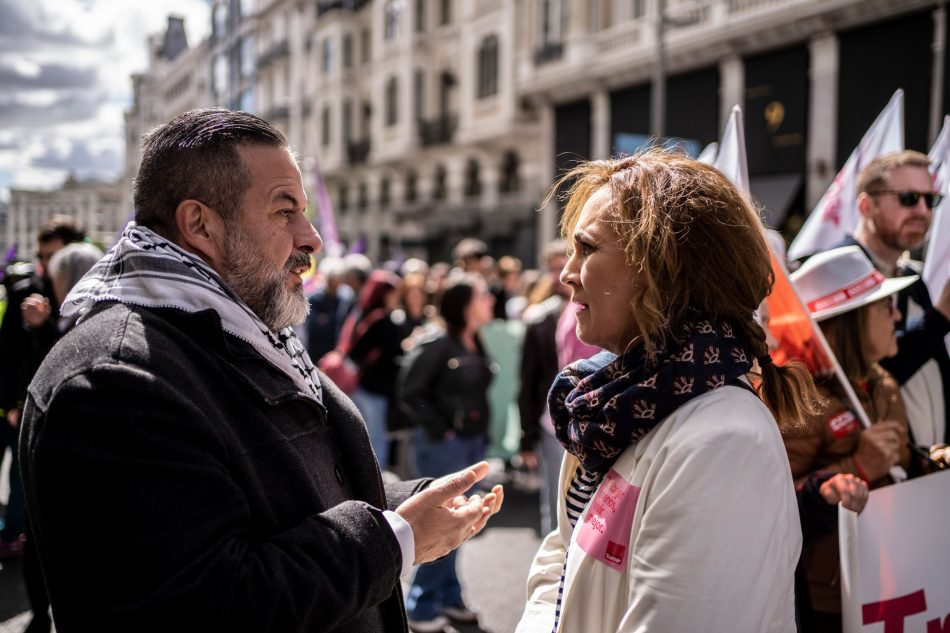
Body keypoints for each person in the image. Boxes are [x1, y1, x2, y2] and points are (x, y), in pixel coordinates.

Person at [19, 108, 502, 633]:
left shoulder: (242, 333)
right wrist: (394, 539)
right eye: (284, 211)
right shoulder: (115, 381)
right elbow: (203, 605)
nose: (311, 237)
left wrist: (409, 504)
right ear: (200, 224)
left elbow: (285, 494)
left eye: (305, 212)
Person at [517, 150, 816, 633]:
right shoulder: (610, 403)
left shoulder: (722, 442)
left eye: (588, 249)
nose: (567, 273)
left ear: (663, 271)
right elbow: (563, 557)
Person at [784, 245, 917, 631]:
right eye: (885, 305)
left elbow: (900, 468)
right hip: (830, 603)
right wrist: (856, 467)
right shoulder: (801, 402)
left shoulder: (882, 382)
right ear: (851, 321)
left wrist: (932, 461)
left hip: (893, 576)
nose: (898, 315)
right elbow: (773, 505)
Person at [399, 273, 497, 632]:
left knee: (462, 523)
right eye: (484, 294)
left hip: (470, 443)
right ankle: (421, 606)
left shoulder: (470, 339)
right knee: (443, 522)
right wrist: (443, 430)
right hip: (445, 446)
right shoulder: (438, 341)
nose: (491, 299)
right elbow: (411, 391)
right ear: (464, 304)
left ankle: (448, 596)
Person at [845, 151, 950, 458]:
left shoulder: (912, 279)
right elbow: (864, 377)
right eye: (908, 198)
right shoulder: (841, 274)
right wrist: (941, 315)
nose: (921, 210)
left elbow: (936, 367)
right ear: (867, 205)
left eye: (929, 200)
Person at [0, 216, 85, 557]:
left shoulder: (82, 298)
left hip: (47, 411)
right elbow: (6, 355)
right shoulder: (25, 292)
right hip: (15, 408)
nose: (46, 264)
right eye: (42, 255)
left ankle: (16, 536)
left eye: (54, 256)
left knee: (26, 485)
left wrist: (45, 325)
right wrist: (9, 404)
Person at [343, 269, 405, 470]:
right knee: (377, 440)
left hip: (366, 386)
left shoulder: (367, 314)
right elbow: (390, 352)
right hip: (375, 389)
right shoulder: (383, 320)